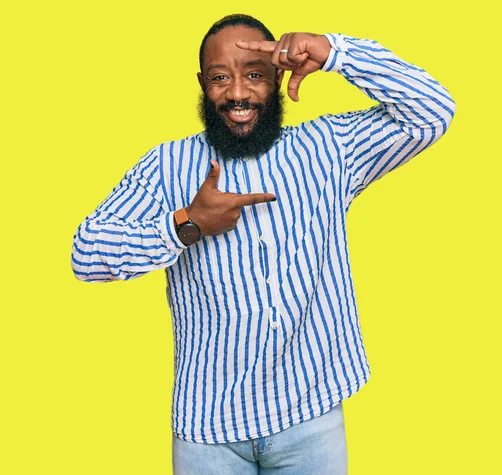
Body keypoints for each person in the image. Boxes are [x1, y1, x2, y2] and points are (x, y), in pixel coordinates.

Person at [71, 13, 456, 475]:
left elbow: (432, 110)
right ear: (201, 83)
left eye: (254, 75)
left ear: (278, 76)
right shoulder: (167, 165)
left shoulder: (329, 149)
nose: (237, 94)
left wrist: (335, 52)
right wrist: (185, 224)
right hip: (209, 432)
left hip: (310, 417)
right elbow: (86, 253)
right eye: (220, 78)